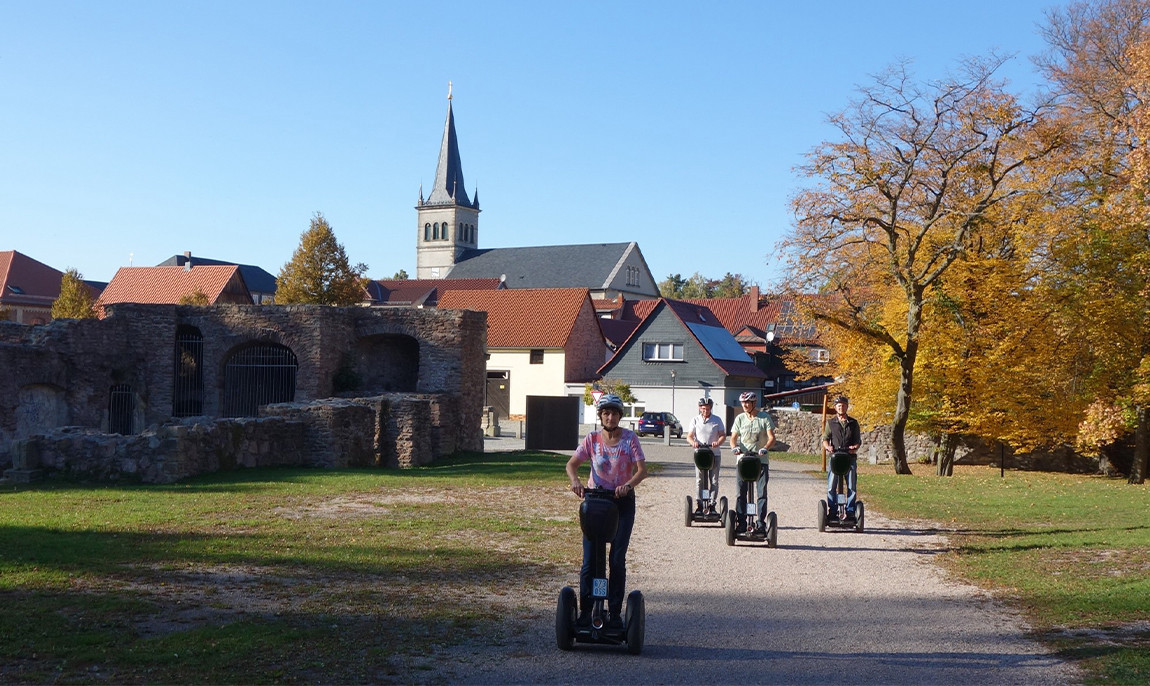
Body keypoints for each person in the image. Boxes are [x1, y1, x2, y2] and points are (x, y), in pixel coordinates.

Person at [565, 393, 649, 630]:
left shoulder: (630, 439)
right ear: (601, 416)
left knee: (616, 560)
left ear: (620, 416)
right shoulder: (592, 439)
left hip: (621, 504)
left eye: (614, 413)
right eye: (606, 413)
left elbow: (642, 470)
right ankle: (585, 611)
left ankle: (613, 612)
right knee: (589, 561)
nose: (610, 417)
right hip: (595, 503)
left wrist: (628, 485)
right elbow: (571, 465)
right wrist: (576, 482)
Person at [728, 391, 776, 534]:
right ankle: (742, 523)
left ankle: (761, 523)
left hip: (760, 461)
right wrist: (734, 447)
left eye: (747, 403)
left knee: (761, 493)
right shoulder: (740, 418)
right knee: (740, 493)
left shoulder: (764, 418)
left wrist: (765, 448)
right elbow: (733, 438)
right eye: (743, 403)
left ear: (754, 403)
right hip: (743, 460)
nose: (744, 405)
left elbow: (771, 437)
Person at [822, 394, 862, 519]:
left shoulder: (853, 423)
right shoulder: (831, 423)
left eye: (843, 405)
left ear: (847, 407)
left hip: (849, 458)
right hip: (835, 458)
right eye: (839, 406)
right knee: (831, 486)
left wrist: (854, 447)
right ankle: (832, 511)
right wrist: (828, 447)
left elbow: (858, 441)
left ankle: (850, 512)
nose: (841, 408)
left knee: (851, 487)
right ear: (835, 408)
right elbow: (825, 439)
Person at [687, 397, 726, 515]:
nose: (705, 411)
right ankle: (700, 503)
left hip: (714, 454)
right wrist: (693, 442)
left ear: (711, 408)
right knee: (700, 480)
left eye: (708, 409)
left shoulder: (717, 420)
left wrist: (718, 442)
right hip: (700, 454)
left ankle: (711, 504)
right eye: (703, 408)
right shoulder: (695, 420)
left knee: (714, 480)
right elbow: (689, 436)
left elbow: (723, 435)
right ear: (699, 408)